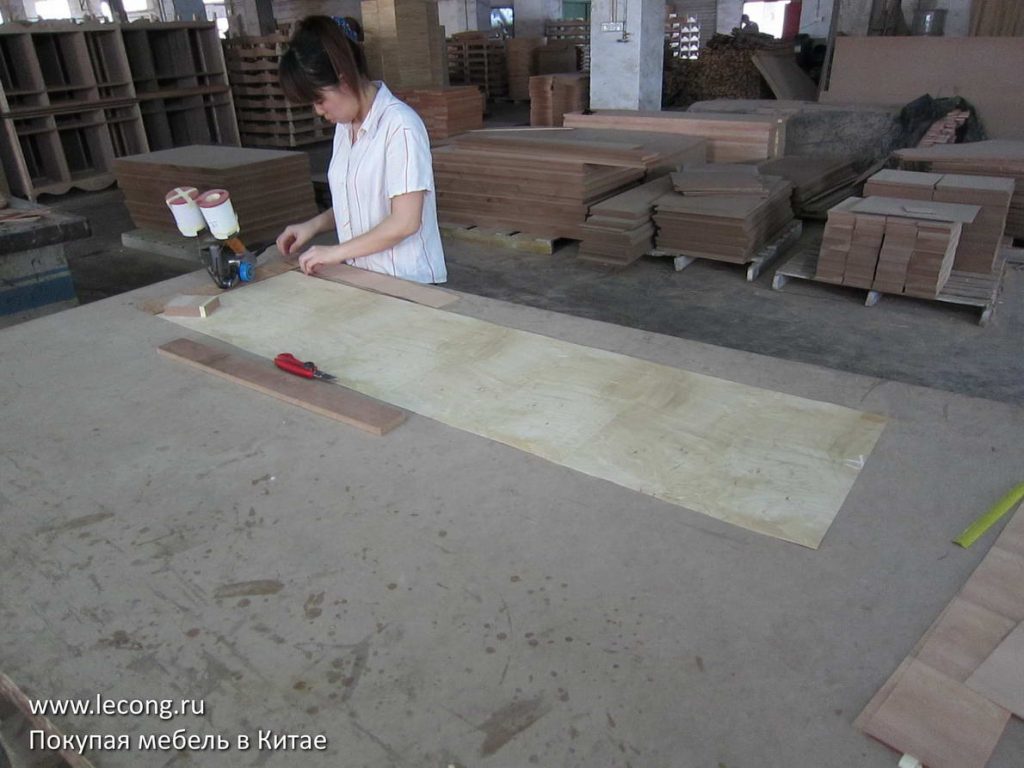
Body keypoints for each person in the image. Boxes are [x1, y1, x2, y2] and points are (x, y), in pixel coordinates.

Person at [275, 16, 446, 284]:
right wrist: (314, 226)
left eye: (320, 100)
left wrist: (335, 252)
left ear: (344, 81)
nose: (318, 111)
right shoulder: (345, 128)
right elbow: (356, 202)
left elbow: (405, 222)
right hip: (365, 278)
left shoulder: (400, 126)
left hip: (408, 284)